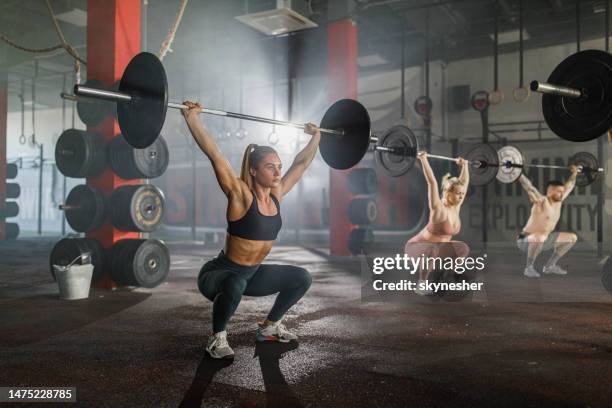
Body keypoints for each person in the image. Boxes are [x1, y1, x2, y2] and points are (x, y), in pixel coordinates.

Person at [181, 101, 318, 359]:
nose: (278, 171)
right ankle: (217, 338)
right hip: (219, 275)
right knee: (235, 283)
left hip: (250, 275)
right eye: (270, 167)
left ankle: (269, 328)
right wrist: (192, 119)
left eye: (279, 166)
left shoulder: (276, 195)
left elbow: (300, 164)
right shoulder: (240, 195)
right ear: (254, 170)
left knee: (302, 277)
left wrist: (316, 137)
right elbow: (215, 155)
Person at [404, 152, 470, 295]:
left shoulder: (455, 207)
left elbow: (464, 182)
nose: (461, 197)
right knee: (432, 249)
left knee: (462, 249)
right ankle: (421, 285)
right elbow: (432, 182)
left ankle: (445, 280)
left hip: (435, 250)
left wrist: (464, 166)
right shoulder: (438, 209)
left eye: (462, 194)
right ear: (447, 192)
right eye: (458, 193)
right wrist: (423, 159)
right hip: (416, 248)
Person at [516, 167, 578, 278]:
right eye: (559, 191)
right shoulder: (541, 201)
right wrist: (518, 173)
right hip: (525, 240)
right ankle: (528, 268)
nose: (562, 193)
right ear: (550, 191)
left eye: (562, 191)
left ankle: (550, 266)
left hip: (544, 239)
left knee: (572, 238)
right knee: (540, 237)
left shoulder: (559, 200)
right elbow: (529, 188)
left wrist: (575, 172)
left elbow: (570, 184)